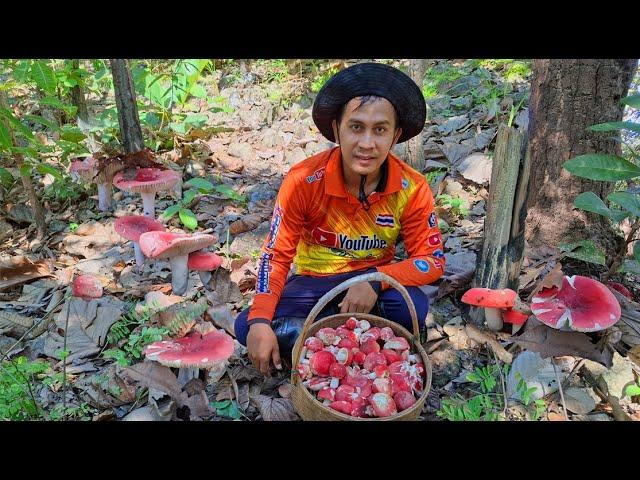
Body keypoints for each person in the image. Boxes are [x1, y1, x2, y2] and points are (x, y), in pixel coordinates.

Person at [234, 62, 446, 375]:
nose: (367, 144)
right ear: (337, 129)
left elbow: (431, 260)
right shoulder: (303, 180)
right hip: (312, 285)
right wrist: (262, 321)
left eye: (380, 130)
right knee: (247, 325)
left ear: (396, 134)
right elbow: (276, 257)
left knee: (413, 306)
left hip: (372, 287)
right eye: (356, 127)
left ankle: (322, 348)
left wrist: (375, 279)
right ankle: (361, 346)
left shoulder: (411, 188)